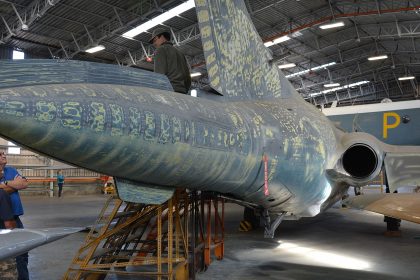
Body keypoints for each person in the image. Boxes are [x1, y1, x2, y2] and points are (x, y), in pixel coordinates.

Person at [0, 150, 29, 280]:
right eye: (0, 154)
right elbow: (15, 186)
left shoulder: (11, 170)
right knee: (9, 255)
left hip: (15, 219)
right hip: (3, 221)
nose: (4, 155)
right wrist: (13, 185)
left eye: (4, 153)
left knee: (22, 252)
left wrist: (4, 184)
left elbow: (23, 184)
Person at [150, 27, 191, 94]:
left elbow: (159, 75)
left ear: (162, 37)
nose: (154, 43)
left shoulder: (160, 50)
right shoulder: (180, 53)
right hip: (182, 92)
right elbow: (188, 77)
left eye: (155, 40)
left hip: (168, 90)